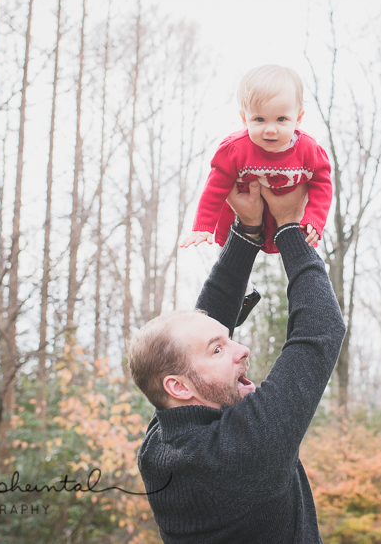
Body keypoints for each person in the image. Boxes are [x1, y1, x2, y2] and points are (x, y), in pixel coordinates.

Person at [129, 182, 345, 543]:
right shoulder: (242, 450)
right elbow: (321, 330)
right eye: (218, 349)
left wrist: (247, 231)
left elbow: (203, 324)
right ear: (179, 386)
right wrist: (290, 227)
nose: (241, 349)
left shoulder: (160, 446)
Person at [179, 64, 332, 254]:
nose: (270, 129)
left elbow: (322, 185)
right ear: (244, 118)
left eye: (281, 119)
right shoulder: (235, 150)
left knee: (298, 249)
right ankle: (239, 278)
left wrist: (314, 219)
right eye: (259, 119)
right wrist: (203, 225)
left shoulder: (309, 151)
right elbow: (215, 187)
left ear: (298, 118)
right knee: (234, 258)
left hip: (287, 222)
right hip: (241, 221)